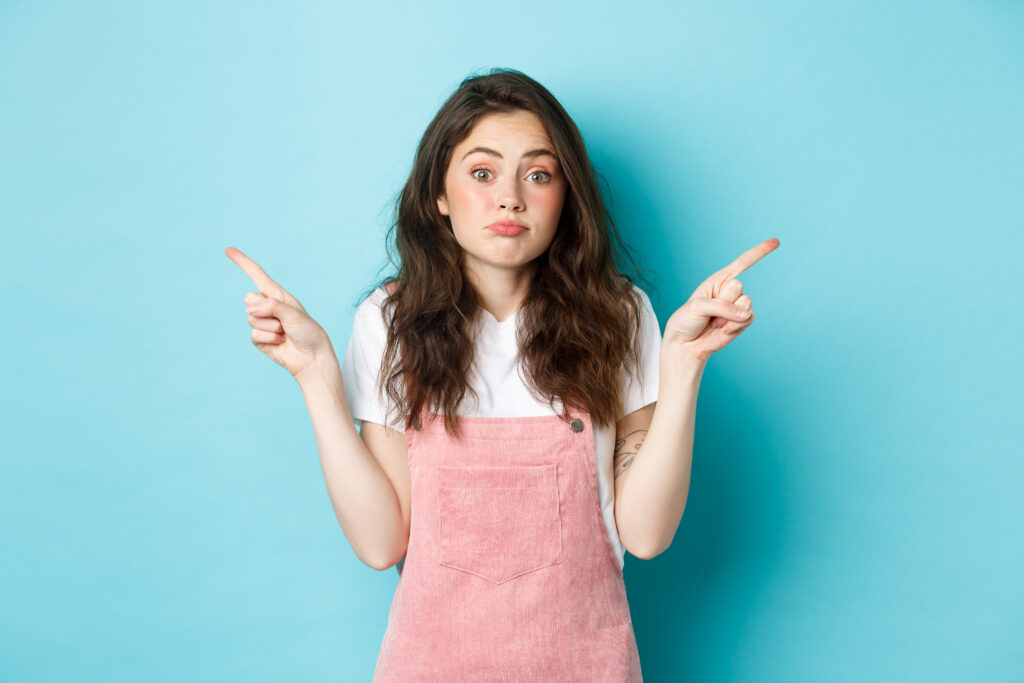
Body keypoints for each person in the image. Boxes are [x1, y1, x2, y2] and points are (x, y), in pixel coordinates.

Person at [226, 67, 779, 681]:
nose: (510, 197)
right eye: (482, 173)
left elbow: (646, 535)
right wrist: (316, 375)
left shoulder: (620, 315)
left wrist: (684, 368)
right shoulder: (390, 319)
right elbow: (381, 543)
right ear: (438, 195)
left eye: (538, 174)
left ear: (566, 198)